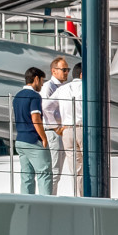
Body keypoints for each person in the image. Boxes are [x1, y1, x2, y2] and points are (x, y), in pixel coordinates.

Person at [12, 67, 52, 195]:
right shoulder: (34, 96)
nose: (42, 84)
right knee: (44, 173)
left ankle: (26, 205)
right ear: (36, 79)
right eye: (42, 81)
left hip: (20, 141)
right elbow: (35, 118)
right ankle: (46, 206)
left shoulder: (17, 97)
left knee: (26, 176)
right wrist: (44, 138)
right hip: (33, 140)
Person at [51, 63, 84, 195]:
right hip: (83, 129)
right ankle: (91, 195)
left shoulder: (63, 89)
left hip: (67, 130)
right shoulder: (87, 87)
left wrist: (56, 126)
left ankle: (78, 196)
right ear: (82, 75)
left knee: (75, 168)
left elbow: (46, 105)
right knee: (91, 163)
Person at [39, 56, 70, 194]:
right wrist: (56, 128)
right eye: (63, 69)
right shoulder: (49, 87)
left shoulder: (62, 87)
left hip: (59, 131)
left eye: (67, 70)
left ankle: (50, 197)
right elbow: (45, 108)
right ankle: (49, 199)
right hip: (54, 132)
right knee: (54, 171)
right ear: (54, 71)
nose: (66, 72)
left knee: (57, 170)